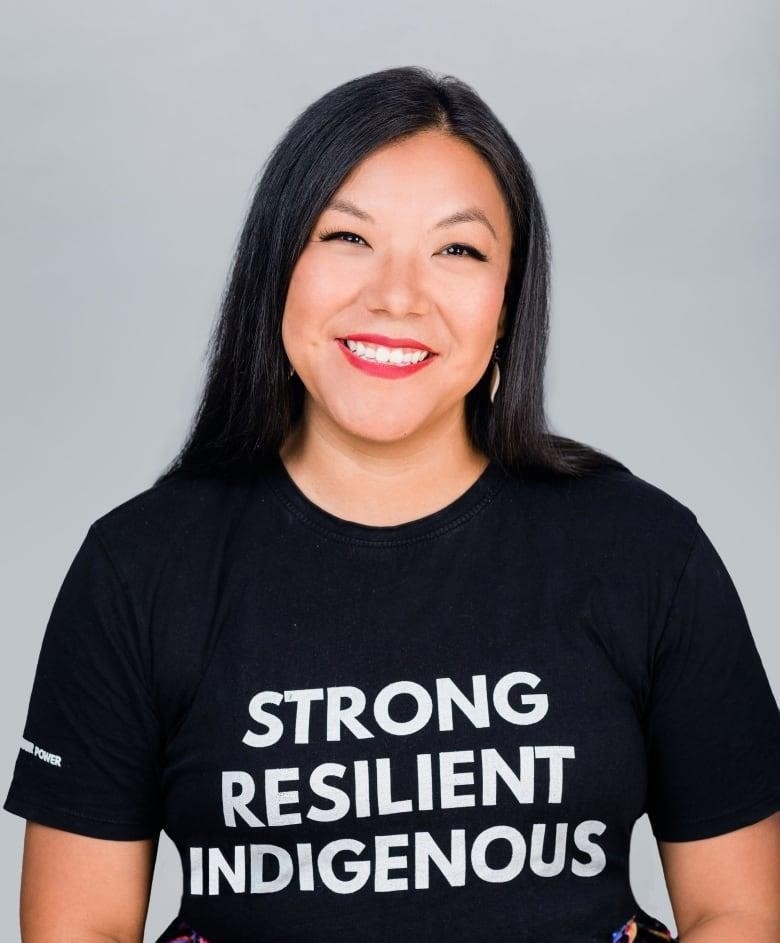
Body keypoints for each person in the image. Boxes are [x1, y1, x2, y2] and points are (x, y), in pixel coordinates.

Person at [5, 65, 779, 943]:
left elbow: (740, 909)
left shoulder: (645, 550)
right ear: (276, 270)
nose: (398, 295)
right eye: (346, 237)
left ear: (507, 305)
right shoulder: (137, 568)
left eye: (459, 249)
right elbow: (80, 929)